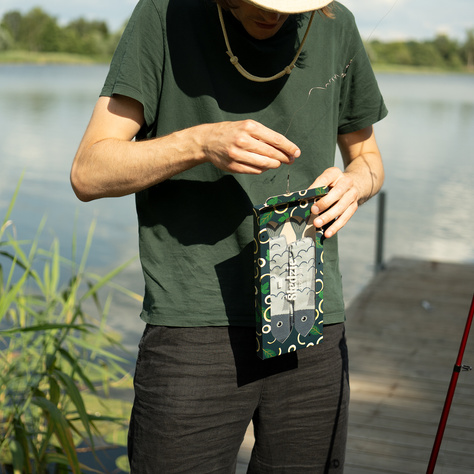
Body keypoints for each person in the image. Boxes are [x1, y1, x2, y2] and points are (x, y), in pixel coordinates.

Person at [71, 0, 387, 471]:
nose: (276, 15)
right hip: (194, 328)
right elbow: (89, 172)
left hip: (309, 315)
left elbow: (368, 160)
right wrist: (199, 142)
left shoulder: (337, 24)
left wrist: (355, 185)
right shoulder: (164, 14)